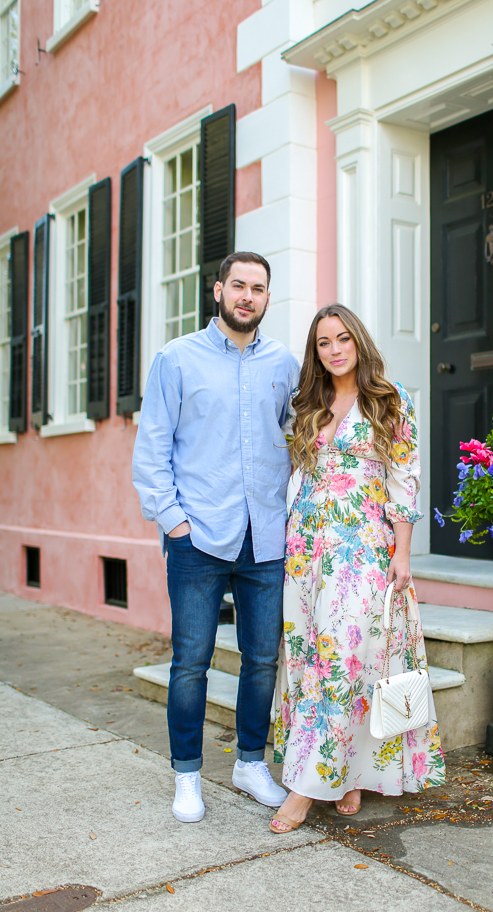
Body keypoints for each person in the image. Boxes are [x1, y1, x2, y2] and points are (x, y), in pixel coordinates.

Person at [132, 251, 299, 822]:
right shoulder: (176, 360)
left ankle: (251, 762)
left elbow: (304, 433)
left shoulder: (285, 364)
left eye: (258, 288)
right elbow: (151, 451)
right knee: (191, 662)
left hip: (266, 537)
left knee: (260, 659)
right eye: (238, 286)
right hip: (198, 535)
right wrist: (175, 524)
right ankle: (187, 775)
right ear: (217, 291)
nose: (247, 296)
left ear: (267, 298)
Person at [270, 304, 445, 834]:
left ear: (359, 342)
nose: (335, 349)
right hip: (305, 548)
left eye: (343, 338)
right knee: (308, 658)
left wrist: (403, 553)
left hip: (360, 546)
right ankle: (346, 773)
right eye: (324, 342)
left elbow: (405, 480)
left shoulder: (390, 402)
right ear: (315, 352)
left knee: (344, 661)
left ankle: (302, 790)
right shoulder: (307, 403)